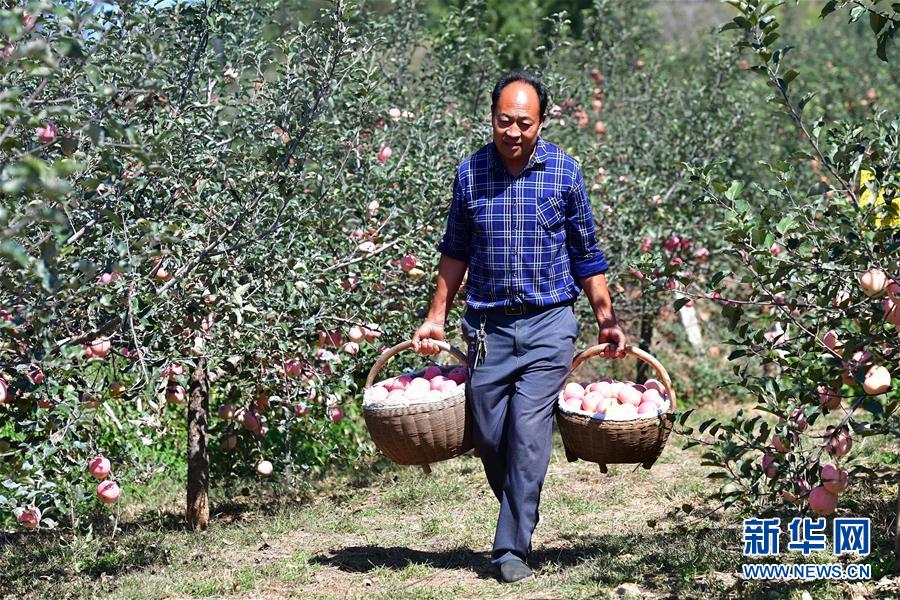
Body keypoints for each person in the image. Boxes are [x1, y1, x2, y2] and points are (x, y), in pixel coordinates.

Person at [411, 71, 627, 583]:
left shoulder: (564, 173)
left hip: (549, 323)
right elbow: (455, 252)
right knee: (490, 435)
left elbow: (586, 253)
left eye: (523, 123)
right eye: (504, 121)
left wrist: (606, 319)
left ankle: (509, 548)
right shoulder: (471, 174)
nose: (512, 132)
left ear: (542, 122)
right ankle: (522, 506)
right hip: (487, 329)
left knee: (529, 431)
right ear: (492, 119)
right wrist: (436, 315)